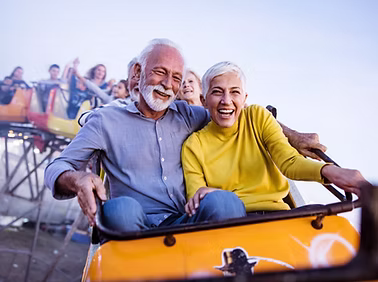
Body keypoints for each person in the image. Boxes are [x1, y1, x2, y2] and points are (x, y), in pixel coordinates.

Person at [44, 39, 334, 234]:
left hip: (187, 223)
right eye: (160, 73)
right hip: (135, 224)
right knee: (120, 209)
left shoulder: (188, 114)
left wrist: (292, 135)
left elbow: (237, 112)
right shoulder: (105, 120)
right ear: (137, 71)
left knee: (225, 203)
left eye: (177, 78)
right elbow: (57, 166)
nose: (168, 85)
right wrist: (78, 178)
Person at [181, 61, 368, 216]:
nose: (226, 100)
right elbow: (197, 199)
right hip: (231, 223)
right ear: (204, 101)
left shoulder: (257, 116)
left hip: (277, 217)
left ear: (244, 98)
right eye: (217, 92)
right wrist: (214, 196)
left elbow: (289, 162)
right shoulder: (193, 145)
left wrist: (332, 172)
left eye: (235, 92)